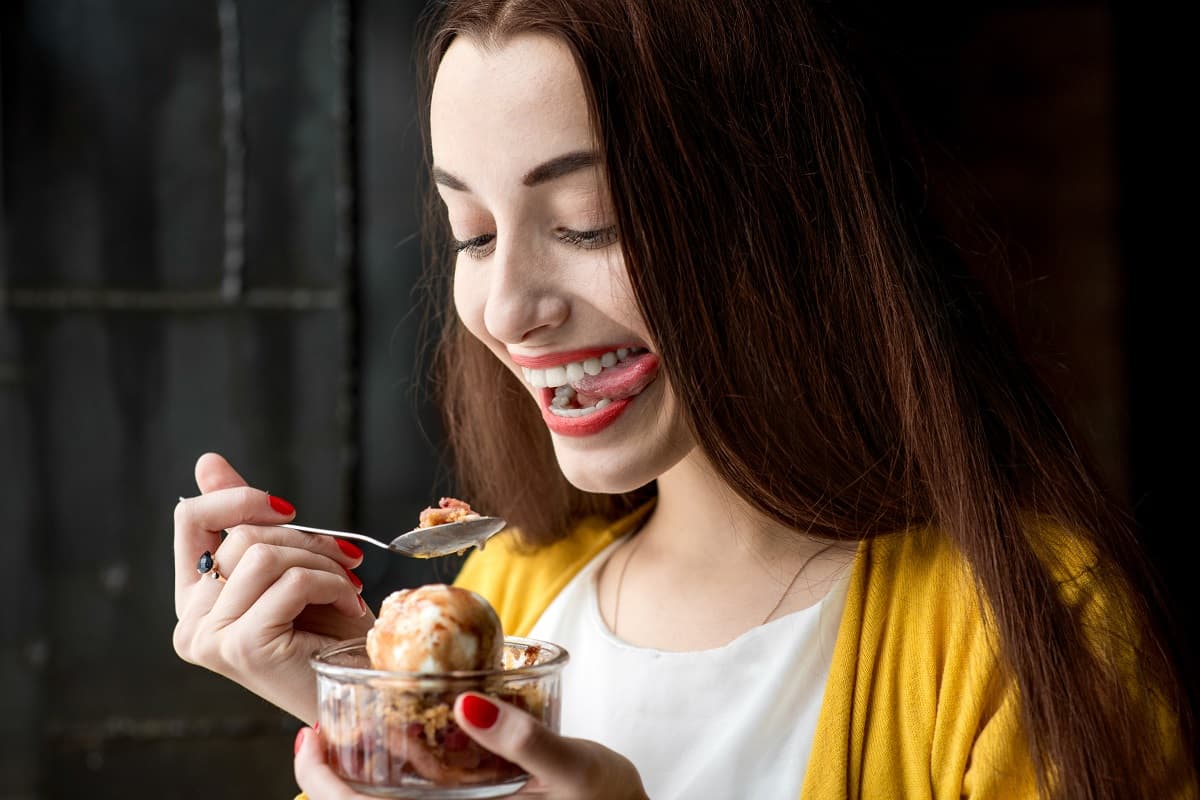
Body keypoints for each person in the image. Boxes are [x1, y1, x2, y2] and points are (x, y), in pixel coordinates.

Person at [173, 1, 1197, 798]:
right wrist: (372, 714)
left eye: (588, 221)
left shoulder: (1030, 626)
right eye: (474, 233)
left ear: (778, 218)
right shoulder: (513, 595)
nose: (509, 307)